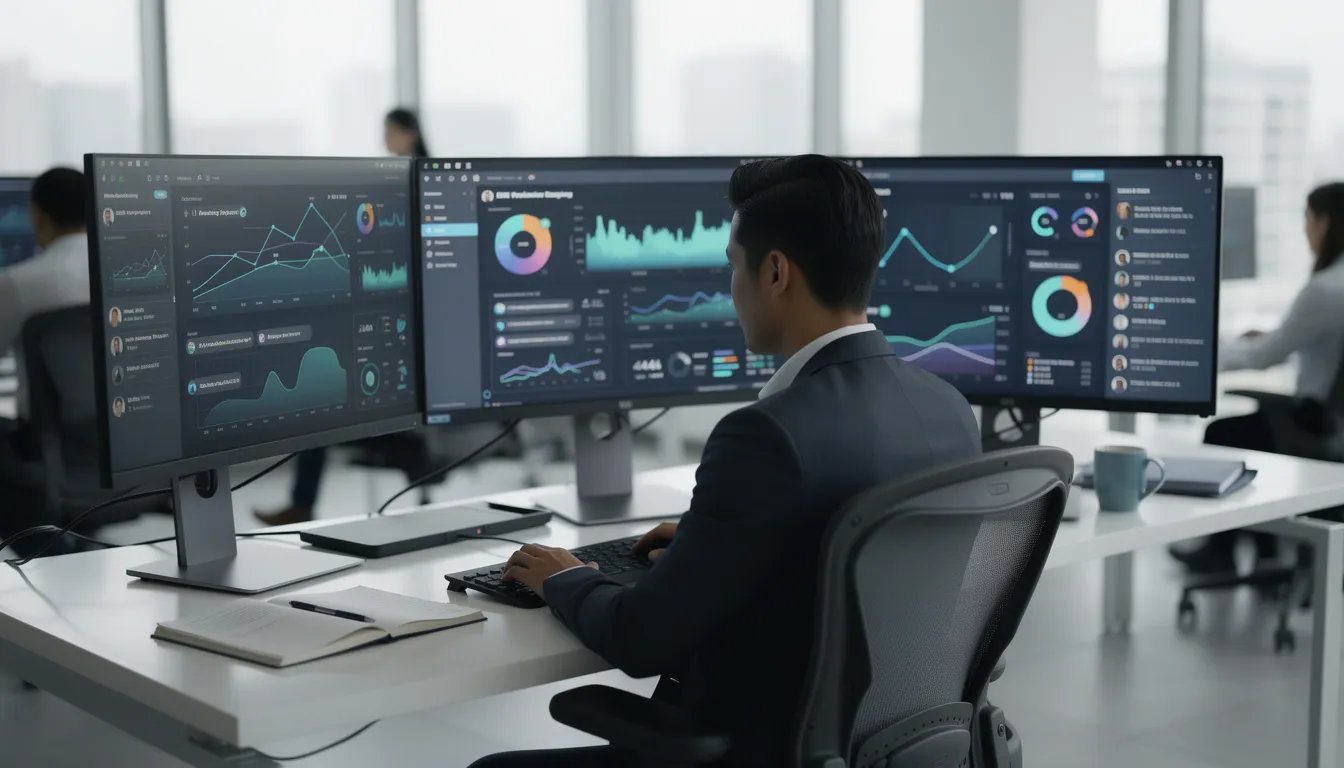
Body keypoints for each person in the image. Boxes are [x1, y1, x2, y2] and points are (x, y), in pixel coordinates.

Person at [469, 156, 981, 768]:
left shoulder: (764, 435)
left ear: (774, 273)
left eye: (732, 267)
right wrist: (717, 544)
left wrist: (563, 575)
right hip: (881, 746)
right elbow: (857, 557)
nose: (729, 287)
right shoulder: (948, 409)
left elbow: (643, 637)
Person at [257, 110, 432, 527]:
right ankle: (303, 502)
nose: (384, 138)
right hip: (392, 325)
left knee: (318, 400)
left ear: (406, 133)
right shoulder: (413, 177)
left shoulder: (411, 181)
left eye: (388, 131)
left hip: (398, 333)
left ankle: (302, 503)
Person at [1171, 182, 1344, 573]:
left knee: (1223, 434)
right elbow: (1300, 341)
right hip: (1333, 423)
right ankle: (1265, 552)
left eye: (1308, 218)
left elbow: (1265, 357)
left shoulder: (1325, 289)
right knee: (1248, 432)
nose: (1305, 230)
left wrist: (1199, 355)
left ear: (1326, 221)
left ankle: (1222, 551)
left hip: (1316, 425)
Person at [0, 168, 92, 403]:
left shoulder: (15, 283)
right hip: (117, 429)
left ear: (37, 216)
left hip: (43, 436)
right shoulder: (118, 272)